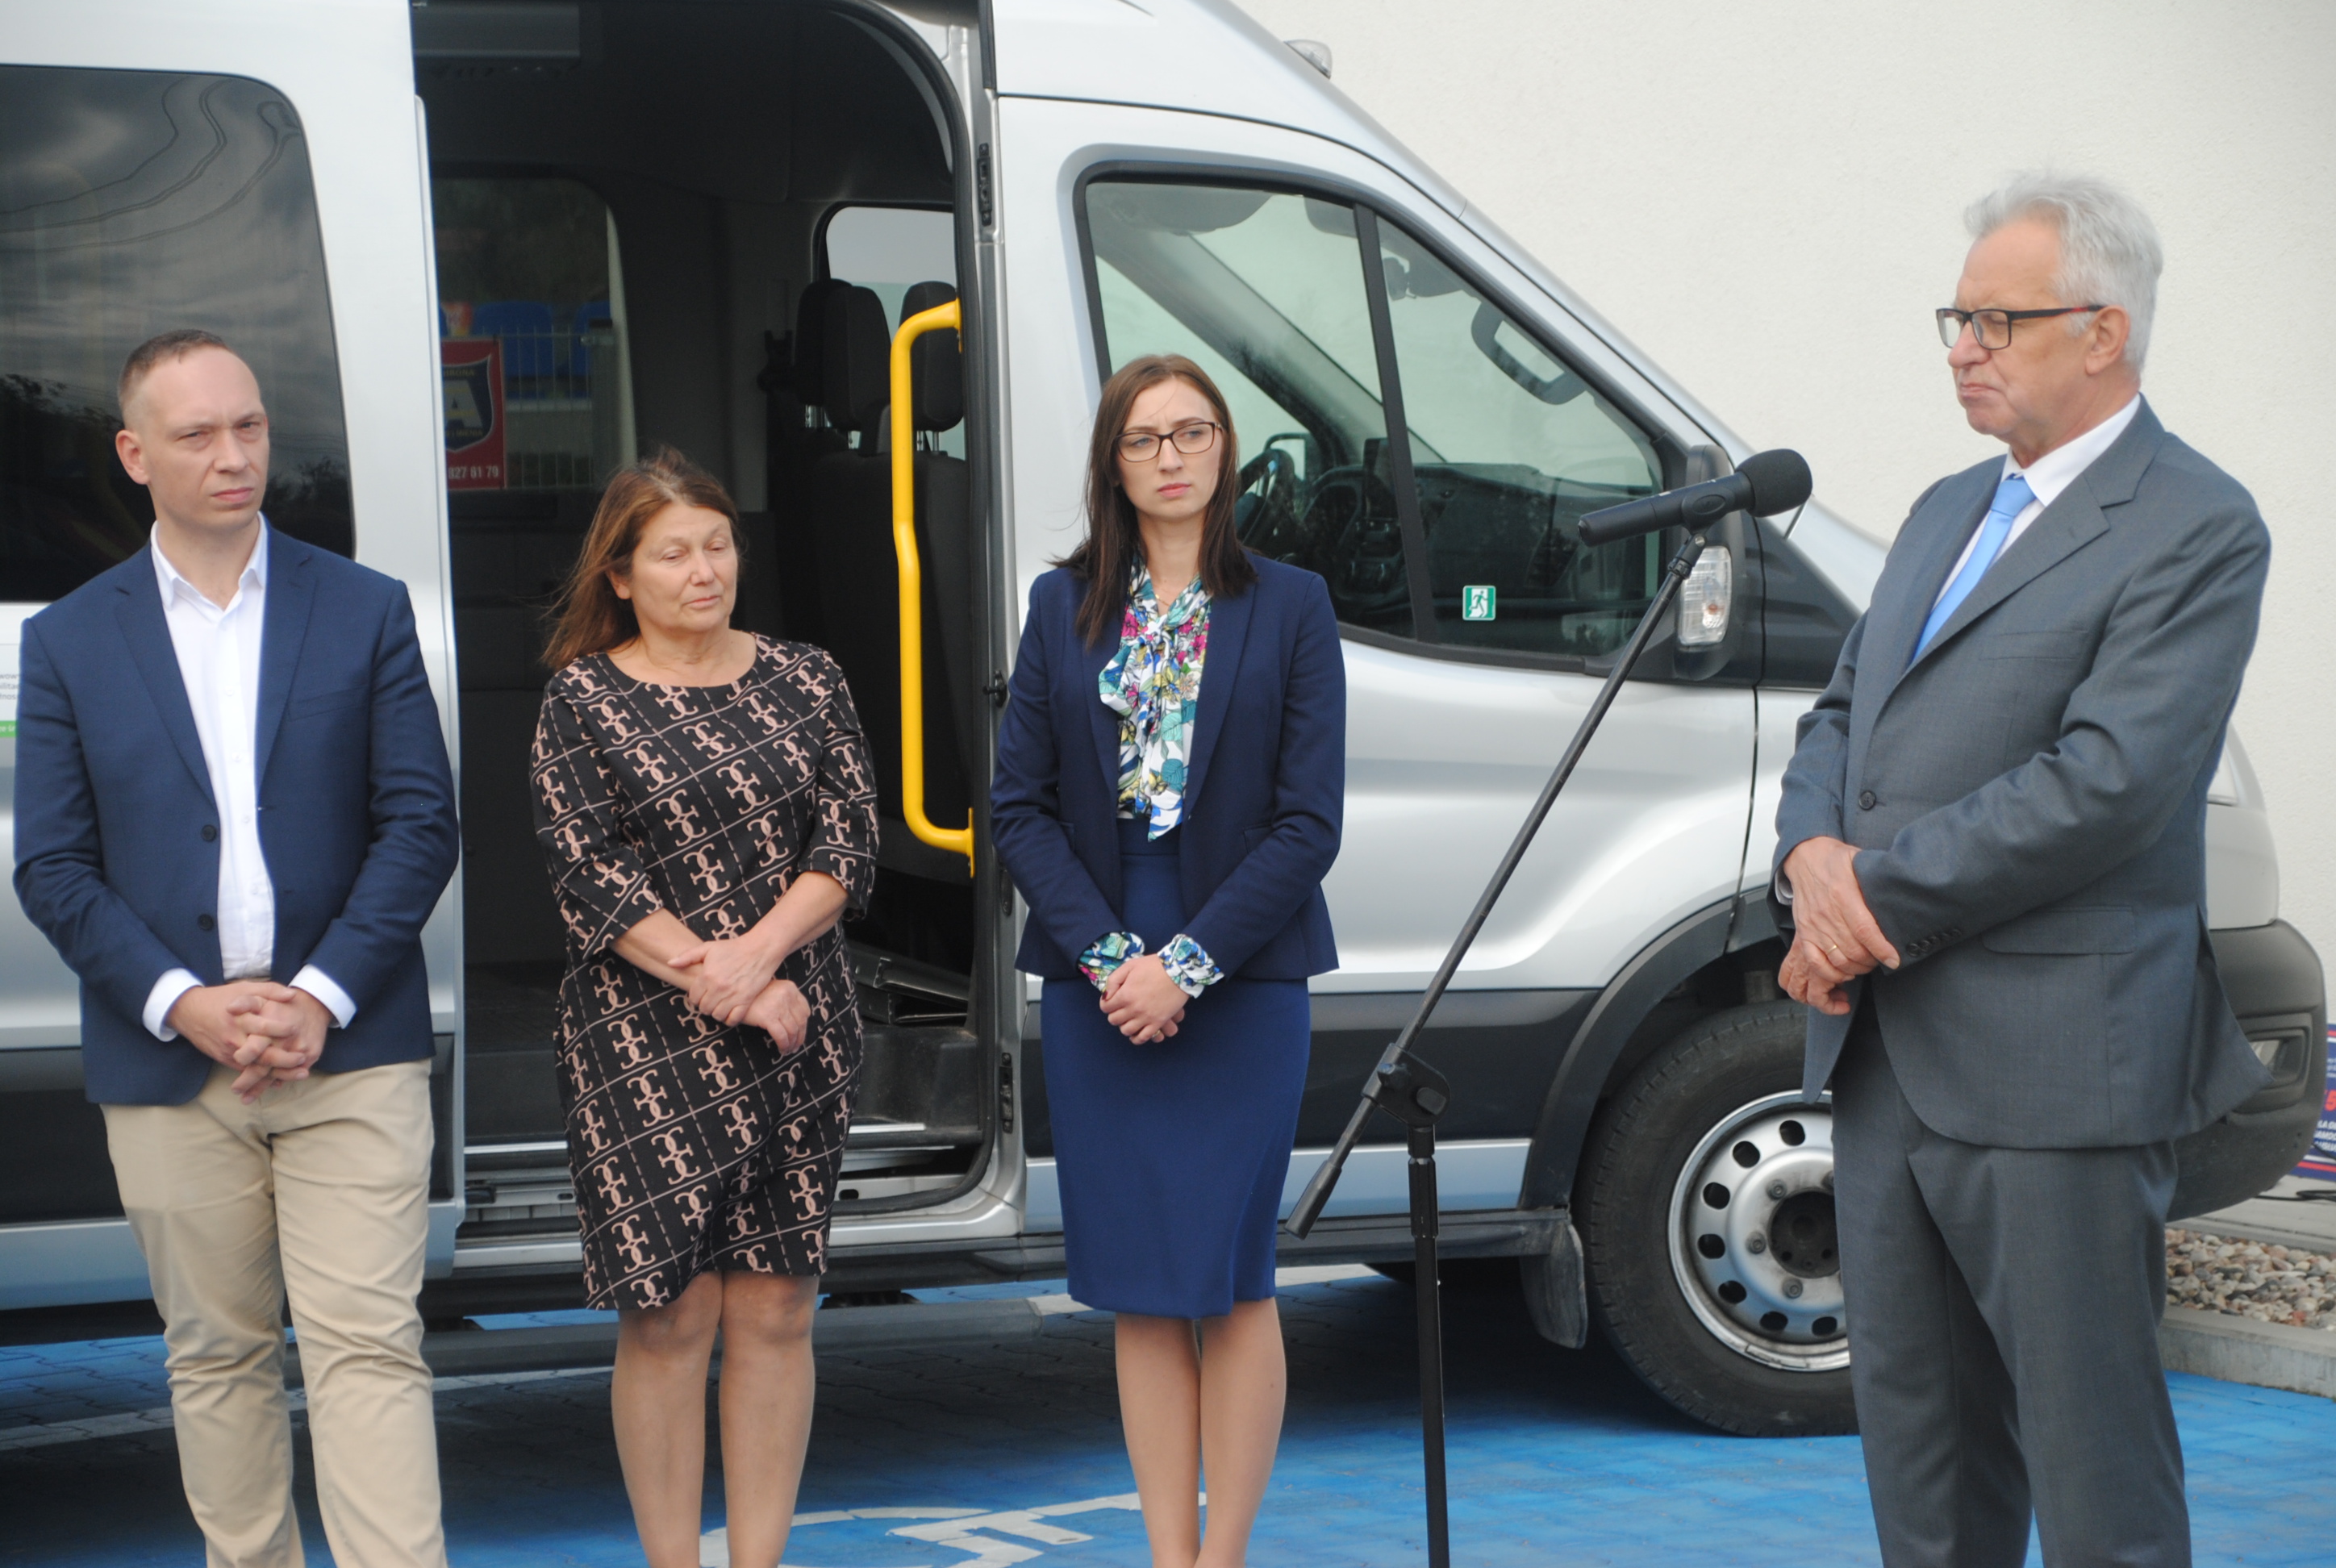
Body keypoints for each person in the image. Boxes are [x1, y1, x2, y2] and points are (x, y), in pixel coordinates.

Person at [1773, 174, 2272, 1566]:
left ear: (2104, 332)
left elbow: (2106, 784)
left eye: (1997, 318)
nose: (1963, 346)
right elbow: (1838, 715)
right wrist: (1814, 856)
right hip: (1887, 1064)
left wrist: (1866, 901)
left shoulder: (2195, 525)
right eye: (1958, 316)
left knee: (2092, 1467)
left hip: (2058, 1074)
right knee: (1925, 1473)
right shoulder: (1942, 510)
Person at [13, 330, 461, 1568]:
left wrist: (318, 996)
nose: (233, 455)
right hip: (169, 1067)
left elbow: (422, 822)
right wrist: (181, 1003)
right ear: (133, 453)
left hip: (351, 1050)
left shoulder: (364, 609)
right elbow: (50, 865)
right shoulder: (66, 642)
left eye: (251, 427)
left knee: (369, 1345)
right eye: (199, 433)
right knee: (215, 1355)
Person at [991, 354, 1344, 1568]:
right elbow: (1018, 807)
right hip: (1100, 985)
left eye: (1195, 433)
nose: (1174, 456)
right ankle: (1164, 1551)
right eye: (1147, 439)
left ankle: (1225, 1556)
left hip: (1243, 980)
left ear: (1226, 452)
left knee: (1236, 1282)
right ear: (1115, 464)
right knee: (1143, 1286)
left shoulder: (1291, 605)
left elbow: (1308, 823)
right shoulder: (1062, 604)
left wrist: (1184, 965)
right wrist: (1108, 957)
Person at [530, 448, 877, 1568]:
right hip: (642, 1043)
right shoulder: (584, 697)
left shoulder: (809, 676)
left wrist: (764, 959)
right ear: (621, 574)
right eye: (673, 552)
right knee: (670, 1317)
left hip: (797, 1024)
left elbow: (851, 842)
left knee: (777, 1311)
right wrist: (712, 977)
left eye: (717, 544)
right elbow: (588, 870)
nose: (703, 570)